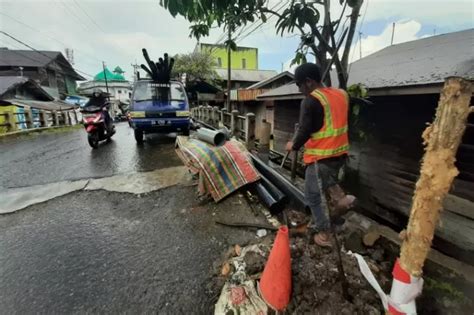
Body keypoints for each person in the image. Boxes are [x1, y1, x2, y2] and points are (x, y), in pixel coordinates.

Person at [285, 63, 355, 248]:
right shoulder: (341, 95)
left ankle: (325, 233)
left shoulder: (311, 100)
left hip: (320, 158)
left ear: (308, 82)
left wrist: (293, 145)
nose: (300, 90)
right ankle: (339, 215)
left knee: (314, 197)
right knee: (329, 187)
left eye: (299, 85)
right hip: (339, 156)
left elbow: (306, 129)